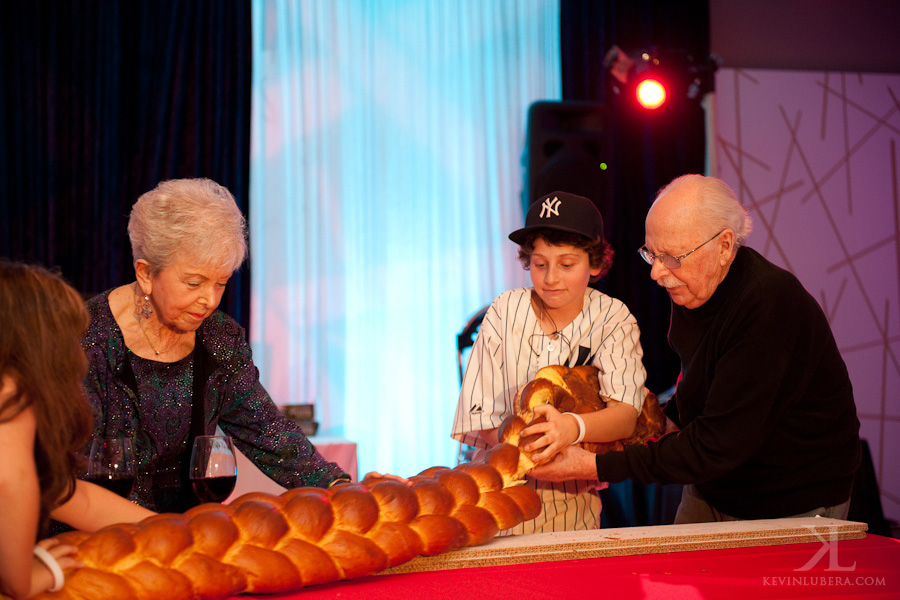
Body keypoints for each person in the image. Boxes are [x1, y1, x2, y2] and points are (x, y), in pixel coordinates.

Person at [529, 174, 861, 523]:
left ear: (723, 246)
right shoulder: (693, 285)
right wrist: (622, 433)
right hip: (715, 482)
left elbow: (715, 445)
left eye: (671, 258)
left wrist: (597, 465)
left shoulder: (768, 305)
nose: (657, 273)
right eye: (651, 254)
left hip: (794, 498)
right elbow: (695, 395)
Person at [80, 177, 350, 514]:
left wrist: (338, 487)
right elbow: (69, 474)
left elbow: (268, 431)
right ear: (146, 273)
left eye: (220, 283)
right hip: (96, 537)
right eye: (194, 282)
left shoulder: (219, 339)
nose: (208, 300)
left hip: (188, 535)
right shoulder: (88, 341)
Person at [451, 191, 648, 534]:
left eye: (567, 264)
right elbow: (477, 417)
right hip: (493, 494)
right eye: (540, 264)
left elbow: (626, 416)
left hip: (572, 504)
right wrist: (531, 444)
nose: (550, 278)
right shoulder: (505, 310)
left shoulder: (613, 318)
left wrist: (571, 427)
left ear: (596, 263)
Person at [0, 261, 155, 599]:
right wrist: (22, 580)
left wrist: (174, 529)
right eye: (71, 338)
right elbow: (10, 480)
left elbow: (70, 496)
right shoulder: (12, 393)